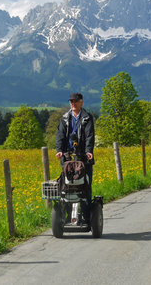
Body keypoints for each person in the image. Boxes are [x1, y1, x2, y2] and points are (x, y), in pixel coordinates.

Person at [55, 92, 95, 221]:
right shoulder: (65, 118)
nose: (73, 103)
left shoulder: (87, 118)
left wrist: (89, 151)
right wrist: (59, 150)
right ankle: (66, 216)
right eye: (71, 101)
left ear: (81, 102)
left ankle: (86, 216)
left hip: (83, 158)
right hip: (67, 158)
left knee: (85, 187)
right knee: (66, 187)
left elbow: (90, 136)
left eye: (75, 101)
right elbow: (60, 136)